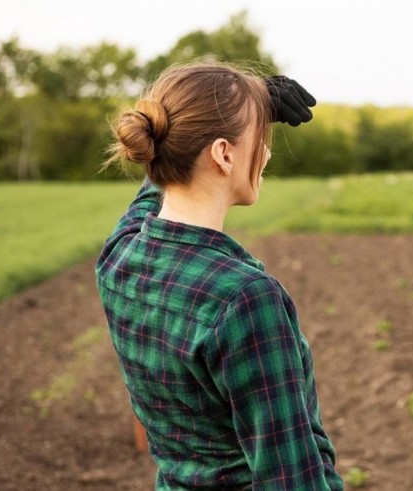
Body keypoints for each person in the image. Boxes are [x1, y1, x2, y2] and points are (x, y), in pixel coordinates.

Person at [95, 62, 344, 490]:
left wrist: (250, 102)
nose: (265, 153)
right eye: (260, 140)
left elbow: (156, 187)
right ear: (224, 154)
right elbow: (291, 479)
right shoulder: (244, 298)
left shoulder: (119, 257)